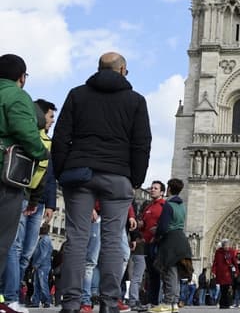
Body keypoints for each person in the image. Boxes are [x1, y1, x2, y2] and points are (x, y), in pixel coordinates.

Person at [51, 52, 150, 313]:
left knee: (76, 239)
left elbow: (61, 136)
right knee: (112, 242)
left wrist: (62, 172)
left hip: (80, 173)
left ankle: (71, 303)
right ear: (122, 71)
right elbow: (142, 144)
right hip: (118, 177)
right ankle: (109, 303)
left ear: (98, 69)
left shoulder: (77, 94)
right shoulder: (136, 100)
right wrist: (135, 179)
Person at [0, 54, 50, 313]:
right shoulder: (18, 96)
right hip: (4, 176)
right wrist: (42, 153)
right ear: (21, 77)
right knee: (3, 238)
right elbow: (31, 128)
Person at [149, 179, 192, 313]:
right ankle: (173, 304)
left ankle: (168, 303)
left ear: (168, 189)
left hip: (170, 241)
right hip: (181, 240)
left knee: (169, 272)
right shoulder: (182, 206)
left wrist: (156, 233)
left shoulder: (168, 205)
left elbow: (163, 226)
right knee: (176, 274)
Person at [140, 181, 166, 308]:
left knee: (160, 273)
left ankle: (162, 301)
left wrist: (157, 234)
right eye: (151, 188)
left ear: (162, 192)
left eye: (155, 188)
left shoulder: (164, 206)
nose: (152, 190)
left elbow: (166, 224)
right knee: (151, 274)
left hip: (158, 244)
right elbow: (144, 225)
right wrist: (141, 227)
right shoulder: (148, 207)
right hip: (148, 244)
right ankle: (152, 301)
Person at [29, 224, 53, 308]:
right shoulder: (44, 239)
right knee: (37, 284)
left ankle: (47, 301)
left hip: (42, 266)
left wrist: (36, 264)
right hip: (41, 265)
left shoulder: (45, 240)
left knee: (42, 284)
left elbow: (43, 254)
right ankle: (36, 301)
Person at [212, 240, 236, 309]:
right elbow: (215, 262)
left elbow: (234, 262)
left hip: (228, 273)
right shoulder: (218, 252)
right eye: (226, 245)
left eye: (228, 245)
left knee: (226, 288)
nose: (227, 247)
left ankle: (225, 303)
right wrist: (213, 271)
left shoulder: (231, 251)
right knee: (223, 289)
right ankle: (223, 304)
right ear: (223, 246)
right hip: (220, 273)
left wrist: (236, 271)